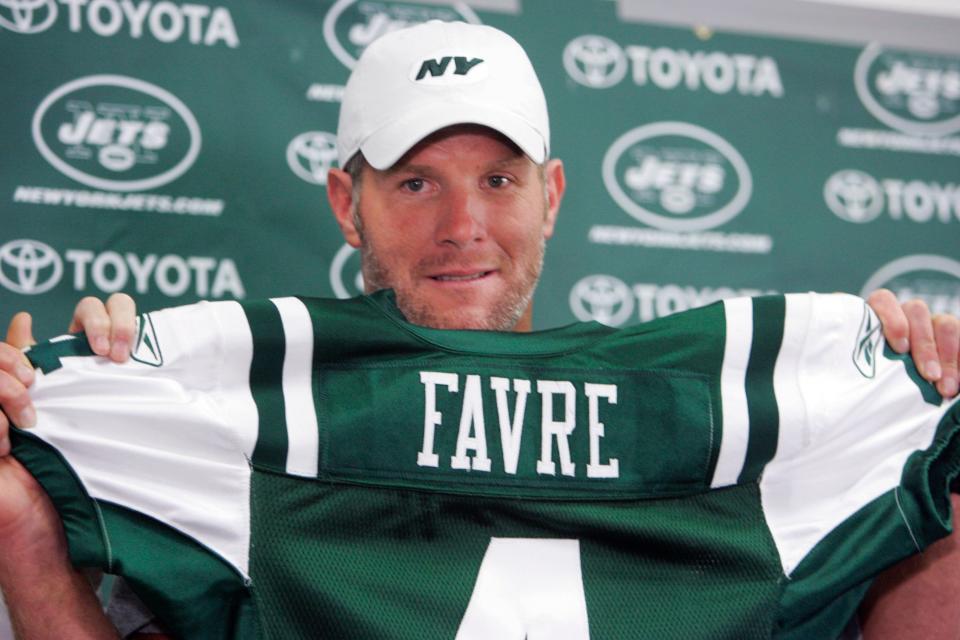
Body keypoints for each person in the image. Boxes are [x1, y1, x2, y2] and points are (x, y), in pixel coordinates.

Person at [0, 20, 957, 640]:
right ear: (347, 201)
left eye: (498, 179)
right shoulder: (240, 403)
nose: (462, 227)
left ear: (553, 197)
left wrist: (926, 410)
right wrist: (29, 487)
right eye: (415, 182)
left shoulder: (747, 403)